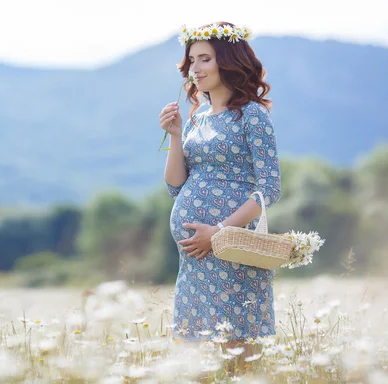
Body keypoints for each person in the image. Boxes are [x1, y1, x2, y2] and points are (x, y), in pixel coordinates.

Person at [159, 21, 282, 368]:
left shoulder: (252, 115)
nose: (195, 69)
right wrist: (175, 134)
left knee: (237, 347)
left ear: (227, 61)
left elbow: (269, 188)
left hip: (230, 247)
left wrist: (219, 233)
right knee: (194, 353)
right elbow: (175, 185)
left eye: (205, 59)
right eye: (192, 61)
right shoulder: (198, 118)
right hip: (195, 257)